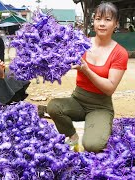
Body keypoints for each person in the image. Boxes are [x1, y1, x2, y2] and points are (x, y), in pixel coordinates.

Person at [46, 2, 128, 153]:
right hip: (77, 99)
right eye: (98, 19)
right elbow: (59, 59)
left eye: (107, 20)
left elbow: (109, 88)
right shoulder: (81, 43)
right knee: (54, 107)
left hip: (100, 106)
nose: (102, 24)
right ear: (93, 21)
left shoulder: (120, 53)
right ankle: (72, 137)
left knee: (93, 146)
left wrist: (86, 70)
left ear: (116, 23)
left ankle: (100, 126)